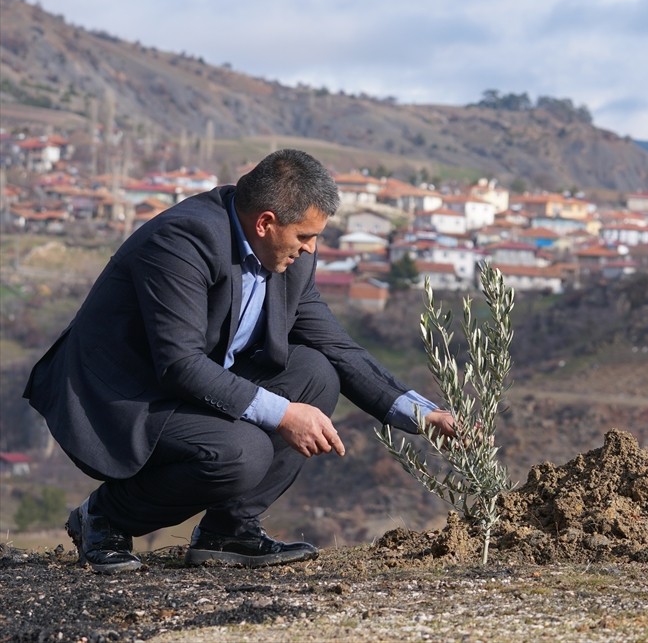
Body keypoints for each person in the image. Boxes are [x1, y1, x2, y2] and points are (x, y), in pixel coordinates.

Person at [24, 149, 456, 573]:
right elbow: (179, 364)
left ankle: (228, 532)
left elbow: (337, 347)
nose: (310, 249)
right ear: (266, 222)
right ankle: (105, 517)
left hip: (196, 383)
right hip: (122, 396)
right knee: (242, 452)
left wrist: (423, 415)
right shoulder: (183, 240)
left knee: (316, 373)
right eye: (304, 236)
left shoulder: (288, 257)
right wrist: (283, 413)